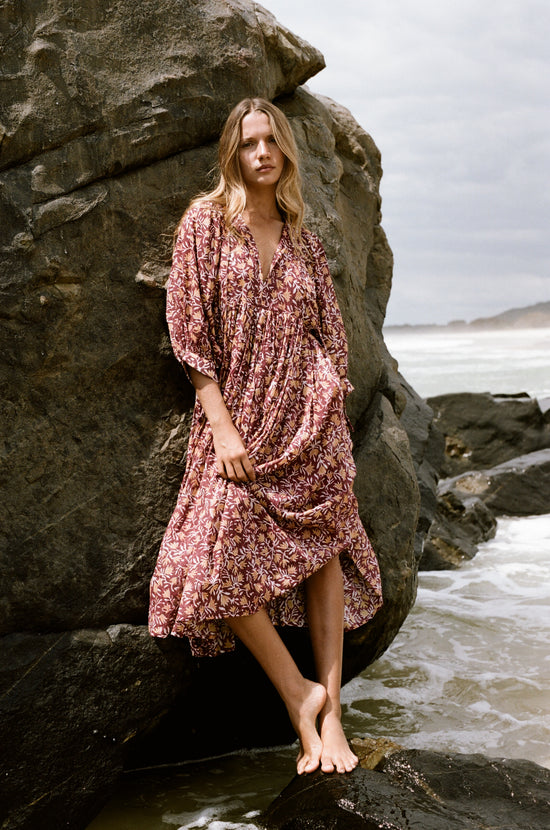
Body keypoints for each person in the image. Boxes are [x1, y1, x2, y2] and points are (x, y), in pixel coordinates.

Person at [148, 97, 383, 775]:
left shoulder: (304, 239)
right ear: (233, 152)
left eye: (272, 142)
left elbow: (331, 335)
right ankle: (298, 693)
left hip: (309, 422)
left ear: (285, 152)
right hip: (240, 423)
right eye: (250, 143)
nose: (262, 154)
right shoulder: (204, 224)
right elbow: (188, 333)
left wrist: (326, 397)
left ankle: (331, 718)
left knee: (325, 552)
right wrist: (221, 427)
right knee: (209, 563)